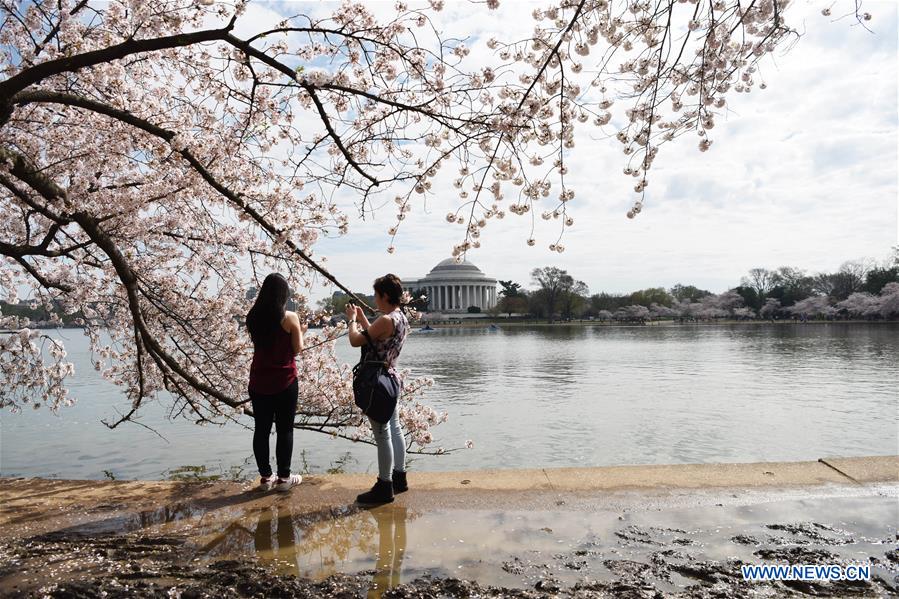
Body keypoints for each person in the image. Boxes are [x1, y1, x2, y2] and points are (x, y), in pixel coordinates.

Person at [345, 274, 410, 504]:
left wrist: (352, 320)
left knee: (382, 433)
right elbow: (379, 339)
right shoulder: (400, 318)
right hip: (392, 377)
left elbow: (355, 341)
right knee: (395, 427)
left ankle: (384, 485)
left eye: (376, 295)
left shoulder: (385, 320)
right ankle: (399, 477)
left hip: (377, 382)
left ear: (384, 295)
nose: (374, 299)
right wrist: (365, 321)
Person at [246, 273, 306, 492]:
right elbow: (297, 349)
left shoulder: (252, 317)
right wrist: (302, 333)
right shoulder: (290, 317)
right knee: (285, 429)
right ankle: (283, 477)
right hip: (285, 380)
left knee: (261, 429)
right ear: (283, 294)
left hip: (259, 380)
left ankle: (265, 478)